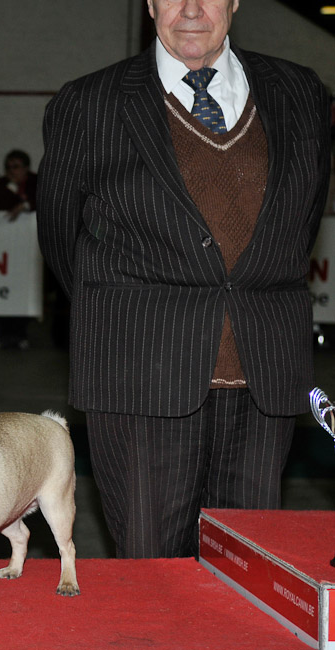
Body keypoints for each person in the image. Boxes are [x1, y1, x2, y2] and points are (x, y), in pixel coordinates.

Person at [38, 0, 331, 559]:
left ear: (235, 2)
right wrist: (134, 313)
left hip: (264, 365)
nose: (191, 10)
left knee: (249, 567)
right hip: (140, 370)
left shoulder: (302, 92)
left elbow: (302, 217)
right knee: (153, 569)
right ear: (150, 5)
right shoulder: (89, 101)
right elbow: (59, 232)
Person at [0, 149, 38, 218]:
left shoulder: (37, 181)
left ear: (26, 168)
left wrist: (25, 206)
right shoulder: (0, 184)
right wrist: (12, 186)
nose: (11, 170)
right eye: (8, 167)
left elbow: (42, 202)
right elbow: (0, 207)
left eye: (15, 167)